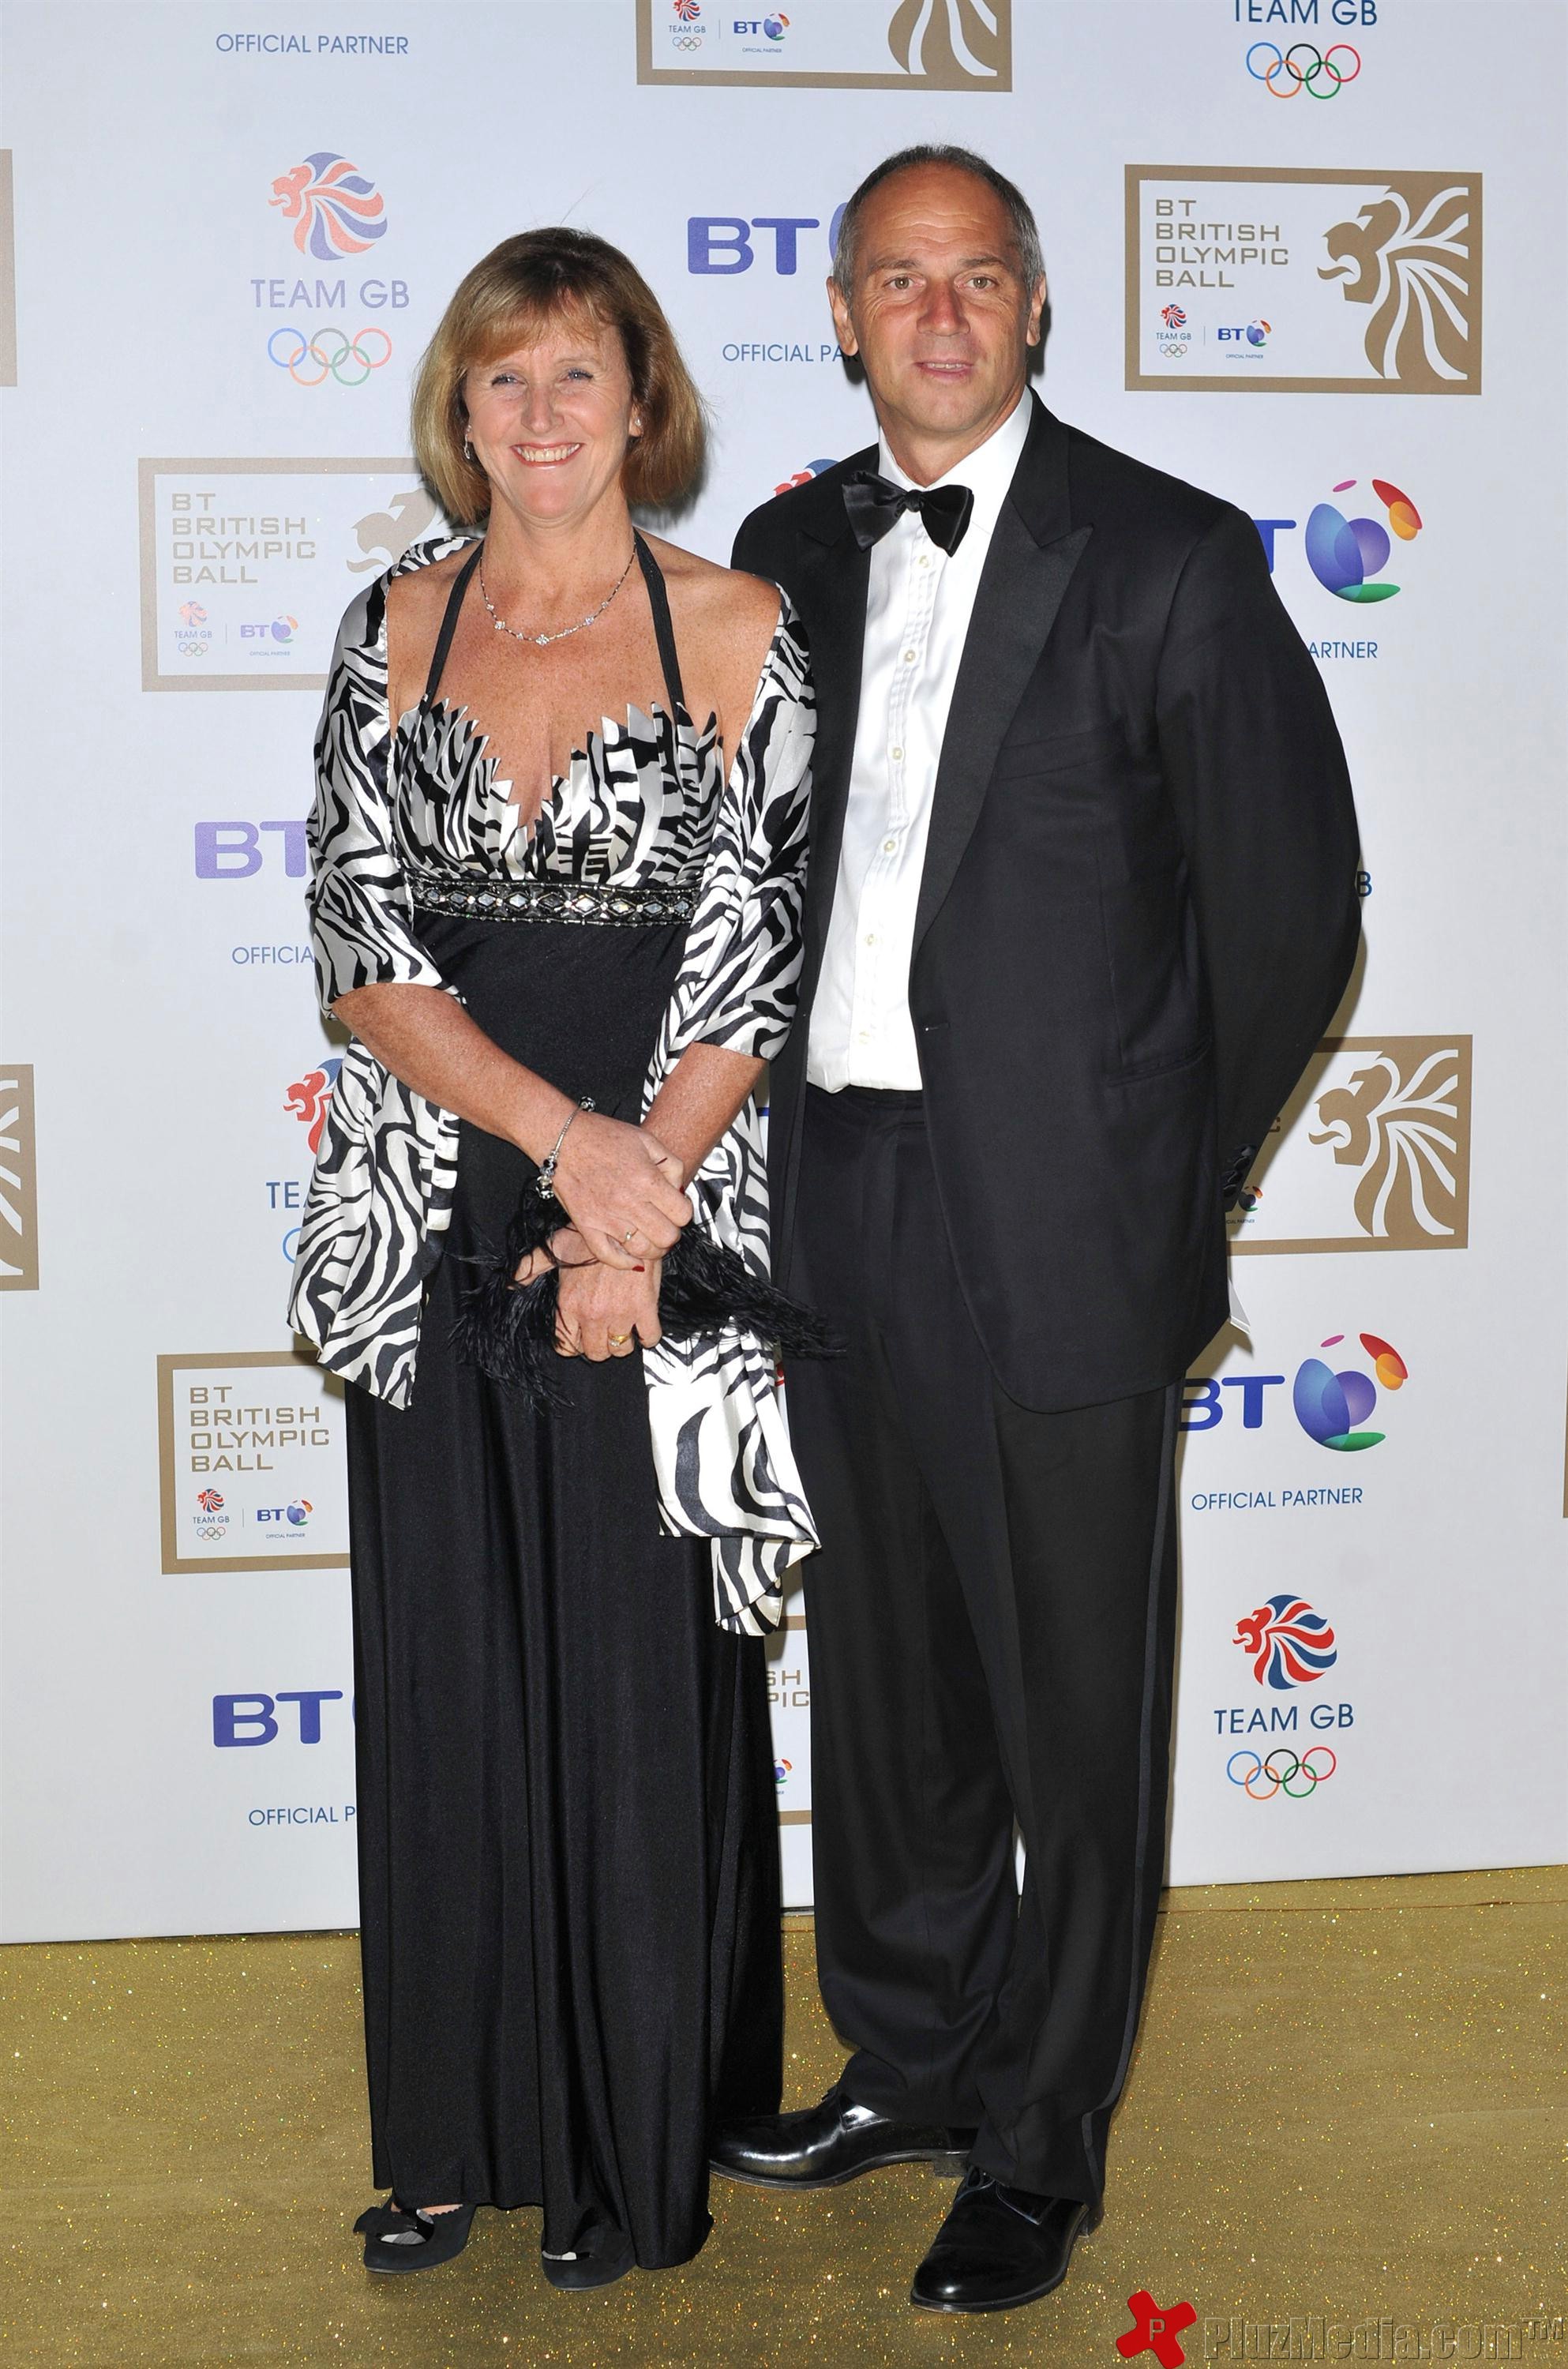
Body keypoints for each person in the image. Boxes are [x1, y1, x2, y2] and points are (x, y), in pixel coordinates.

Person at [713, 147, 1360, 2315]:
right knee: (887, 1673)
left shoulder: (1165, 558)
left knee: (1071, 1705)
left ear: (1036, 303)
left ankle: (1041, 2128)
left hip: (1070, 1224)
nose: (936, 311)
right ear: (836, 314)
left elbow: (1289, 916)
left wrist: (1167, 1179)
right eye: (894, 278)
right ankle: (907, 2051)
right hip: (837, 1193)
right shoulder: (785, 549)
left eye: (974, 275)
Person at [287, 227, 818, 2288]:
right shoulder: (390, 623)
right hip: (438, 1197)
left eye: (574, 379)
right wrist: (553, 1148)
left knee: (637, 1670)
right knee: (451, 1663)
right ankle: (449, 2131)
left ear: (641, 398)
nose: (537, 419)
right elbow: (360, 948)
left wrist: (635, 1209)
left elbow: (752, 952)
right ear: (461, 405)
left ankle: (627, 2140)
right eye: (500, 382)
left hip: (667, 1217)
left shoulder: (744, 623)